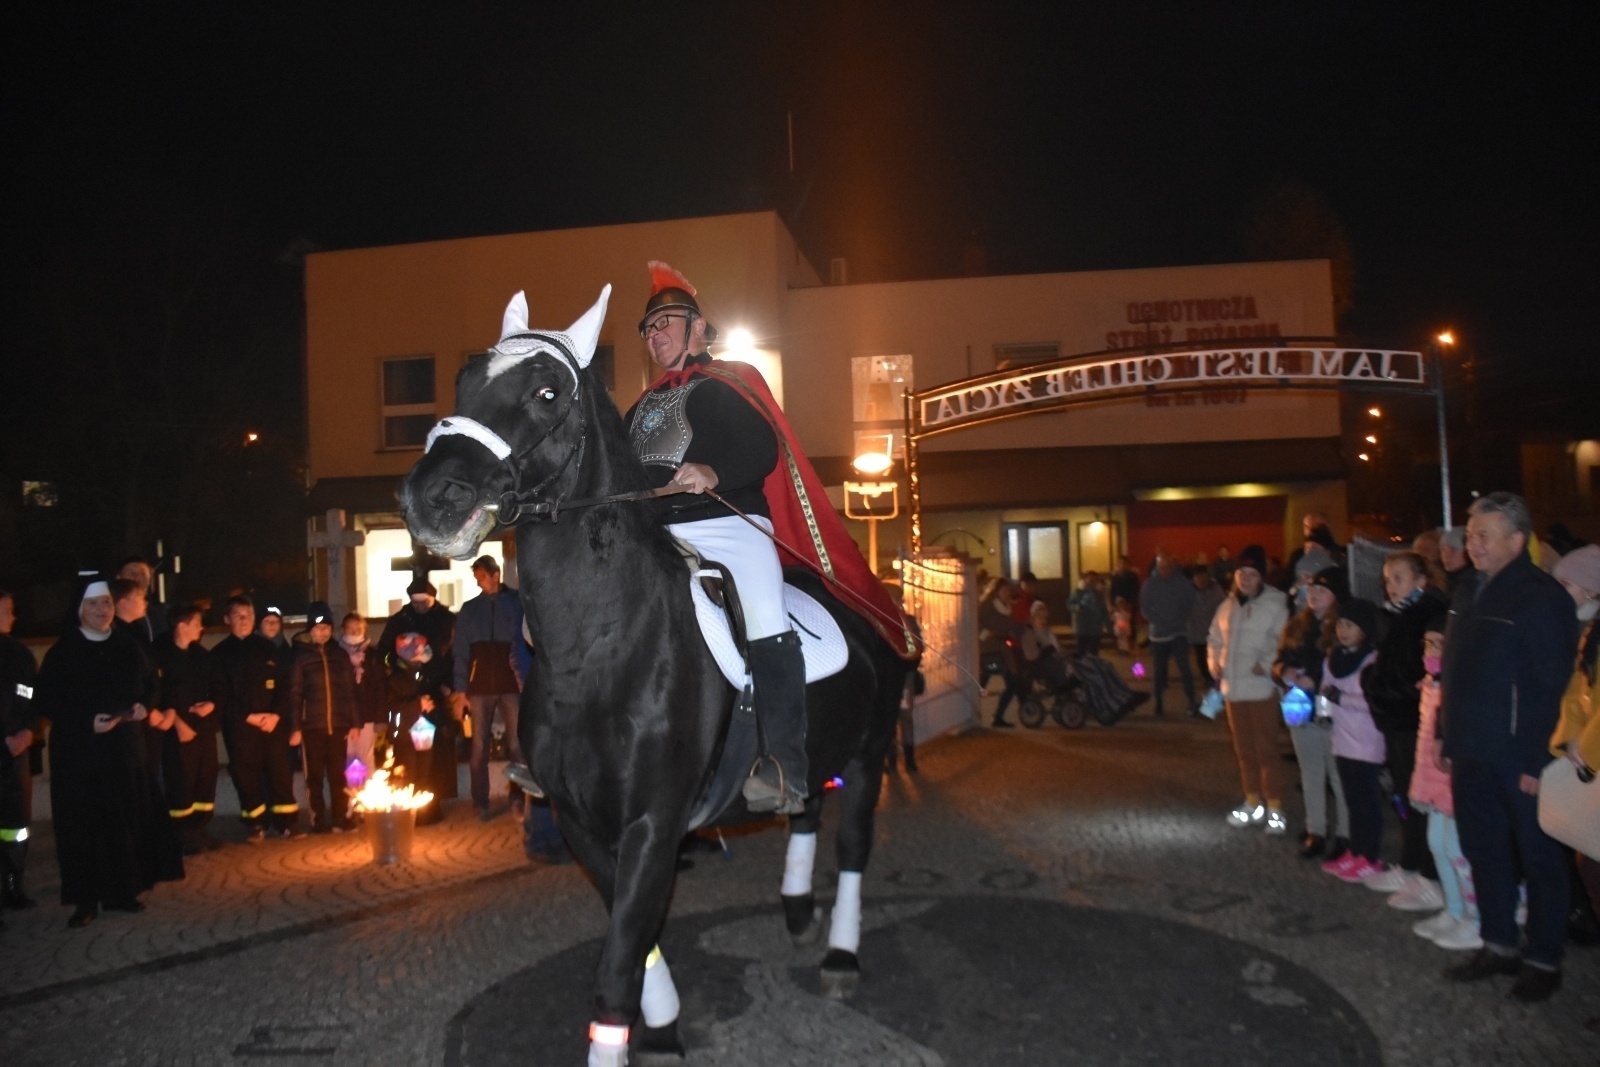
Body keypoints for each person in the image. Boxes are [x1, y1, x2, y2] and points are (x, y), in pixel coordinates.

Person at [622, 262, 914, 810]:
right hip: (657, 535)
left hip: (729, 528)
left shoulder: (729, 383)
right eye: (648, 327)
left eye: (665, 322)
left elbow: (762, 448)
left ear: (698, 328)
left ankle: (783, 765)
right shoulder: (638, 409)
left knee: (763, 612)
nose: (654, 334)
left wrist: (713, 472)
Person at [1438, 492, 1579, 1002]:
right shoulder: (1468, 590)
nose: (1472, 545)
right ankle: (1498, 942)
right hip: (1472, 749)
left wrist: (1537, 759)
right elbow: (1454, 671)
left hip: (1518, 755)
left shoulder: (1541, 597)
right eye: (1470, 535)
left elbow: (1550, 684)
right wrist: (1445, 736)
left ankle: (1544, 957)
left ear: (1517, 541)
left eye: (1484, 536)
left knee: (1540, 859)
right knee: (1484, 850)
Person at [34, 580, 182, 928]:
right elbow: (47, 701)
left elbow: (151, 685)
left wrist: (144, 706)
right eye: (93, 604)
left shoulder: (127, 647)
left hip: (123, 752)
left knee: (124, 824)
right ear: (79, 610)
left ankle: (123, 891)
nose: (102, 610)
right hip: (80, 755)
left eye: (106, 603)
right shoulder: (63, 652)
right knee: (84, 828)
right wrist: (86, 722)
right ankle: (85, 900)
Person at [1359, 551, 1449, 904]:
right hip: (1400, 719)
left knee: (1421, 798)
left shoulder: (1425, 617)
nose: (1391, 586)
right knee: (1405, 795)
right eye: (1387, 579)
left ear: (1421, 581)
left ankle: (1430, 874)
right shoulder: (1402, 616)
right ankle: (1411, 864)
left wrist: (1375, 683)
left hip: (1415, 720)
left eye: (1399, 577)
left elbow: (1415, 673)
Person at [1409, 615, 1483, 951]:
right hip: (1432, 781)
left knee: (1457, 850)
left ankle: (1476, 917)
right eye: (1428, 643)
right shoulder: (1431, 684)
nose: (1432, 650)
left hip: (1452, 782)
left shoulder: (1459, 685)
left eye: (1440, 644)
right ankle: (1454, 909)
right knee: (1437, 845)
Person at [1208, 544, 1291, 833]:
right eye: (1241, 573)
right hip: (1233, 689)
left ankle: (1275, 807)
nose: (1245, 579)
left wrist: (1266, 664)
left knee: (1266, 749)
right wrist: (1215, 663)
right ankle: (1252, 800)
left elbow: (1282, 640)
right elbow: (1214, 638)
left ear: (1262, 576)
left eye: (1252, 573)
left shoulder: (1276, 605)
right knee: (1243, 750)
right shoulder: (1228, 606)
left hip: (1260, 688)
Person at [1549, 543, 1600, 998]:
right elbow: (1575, 692)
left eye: (1566, 583)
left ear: (1589, 588)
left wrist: (1589, 744)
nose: (1560, 591)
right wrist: (1570, 736)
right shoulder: (1589, 631)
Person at [1274, 567, 1350, 860]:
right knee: (1310, 771)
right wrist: (1284, 671)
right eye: (1312, 589)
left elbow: (1347, 668)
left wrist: (1315, 681)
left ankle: (1344, 833)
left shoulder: (1343, 627)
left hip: (1332, 709)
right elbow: (1279, 659)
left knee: (1337, 775)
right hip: (1300, 707)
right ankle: (1315, 829)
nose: (1314, 594)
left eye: (1322, 590)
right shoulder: (1297, 625)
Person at [212, 596, 300, 840]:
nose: (244, 620)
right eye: (238, 616)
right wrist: (248, 717)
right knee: (246, 776)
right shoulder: (219, 654)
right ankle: (256, 823)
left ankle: (286, 823)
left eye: (249, 616)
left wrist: (276, 715)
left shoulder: (268, 649)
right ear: (227, 619)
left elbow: (284, 686)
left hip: (273, 725)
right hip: (241, 728)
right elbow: (221, 695)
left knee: (280, 774)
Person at [1318, 598, 1387, 883]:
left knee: (1367, 801)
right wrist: (1324, 711)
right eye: (1341, 624)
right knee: (1352, 800)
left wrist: (1342, 698)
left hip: (1367, 739)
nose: (1344, 630)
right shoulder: (1333, 658)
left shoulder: (1373, 660)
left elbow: (1372, 700)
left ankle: (1370, 857)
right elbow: (1325, 689)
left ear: (1365, 629)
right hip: (1342, 738)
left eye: (1351, 625)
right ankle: (1355, 851)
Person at [451, 555, 526, 818]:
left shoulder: (517, 603)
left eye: (482, 577)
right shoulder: (470, 609)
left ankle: (518, 796)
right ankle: (480, 801)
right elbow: (461, 650)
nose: (479, 582)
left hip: (511, 684)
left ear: (496, 575)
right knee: (479, 746)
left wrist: (524, 679)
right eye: (476, 578)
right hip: (480, 685)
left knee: (517, 744)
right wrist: (461, 689)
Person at [377, 580, 460, 806]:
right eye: (416, 603)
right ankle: (409, 800)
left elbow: (455, 655)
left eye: (425, 602)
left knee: (432, 752)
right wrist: (395, 669)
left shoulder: (446, 619)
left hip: (435, 690)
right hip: (404, 691)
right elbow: (384, 653)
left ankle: (432, 800)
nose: (420, 607)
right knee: (408, 753)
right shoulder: (400, 620)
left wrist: (450, 684)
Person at [286, 602, 362, 833]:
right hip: (312, 727)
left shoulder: (339, 655)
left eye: (327, 627)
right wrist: (296, 727)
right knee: (315, 776)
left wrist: (355, 722)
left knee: (338, 774)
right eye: (318, 628)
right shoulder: (300, 657)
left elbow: (349, 691)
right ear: (310, 629)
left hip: (338, 725)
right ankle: (318, 818)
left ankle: (341, 816)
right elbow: (295, 694)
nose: (323, 632)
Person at [153, 605, 222, 854]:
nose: (201, 628)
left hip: (203, 731)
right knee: (181, 782)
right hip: (176, 734)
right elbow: (159, 698)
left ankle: (199, 830)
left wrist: (211, 704)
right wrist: (179, 725)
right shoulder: (160, 656)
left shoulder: (201, 656)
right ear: (181, 626)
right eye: (196, 623)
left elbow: (218, 687)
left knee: (206, 779)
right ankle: (182, 836)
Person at [0, 589, 40, 914]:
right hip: (7, 746)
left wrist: (28, 731)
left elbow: (31, 696)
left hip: (16, 755)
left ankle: (14, 883)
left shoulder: (20, 655)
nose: (12, 617)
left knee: (15, 824)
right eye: (6, 611)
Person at [1140, 551, 1197, 716]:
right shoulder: (1150, 584)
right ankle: (1158, 703)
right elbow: (1145, 609)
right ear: (1157, 567)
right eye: (1162, 567)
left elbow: (1191, 602)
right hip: (1158, 635)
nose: (1165, 570)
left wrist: (1180, 618)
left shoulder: (1182, 583)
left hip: (1179, 632)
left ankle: (1191, 700)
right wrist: (1160, 621)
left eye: (1168, 567)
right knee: (1159, 670)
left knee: (1185, 668)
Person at [336, 613, 387, 774]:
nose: (354, 632)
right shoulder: (336, 654)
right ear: (343, 630)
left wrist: (380, 718)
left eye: (358, 629)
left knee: (366, 757)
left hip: (367, 715)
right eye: (350, 628)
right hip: (342, 717)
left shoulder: (372, 655)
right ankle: (349, 790)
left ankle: (366, 789)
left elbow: (380, 687)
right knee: (346, 759)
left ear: (365, 630)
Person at [978, 579, 1022, 728]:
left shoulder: (1007, 606)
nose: (1007, 593)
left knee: (1012, 682)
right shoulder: (988, 605)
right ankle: (969, 714)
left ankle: (998, 716)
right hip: (990, 649)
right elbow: (975, 620)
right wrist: (984, 634)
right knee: (982, 680)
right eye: (1004, 590)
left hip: (1003, 649)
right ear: (997, 591)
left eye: (1008, 591)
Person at [1188, 568, 1226, 696]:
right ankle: (1206, 676)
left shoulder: (1216, 590)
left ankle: (1214, 676)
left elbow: (1223, 605)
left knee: (1215, 653)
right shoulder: (1188, 591)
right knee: (1200, 655)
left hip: (1213, 628)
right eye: (1198, 577)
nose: (1201, 580)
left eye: (1203, 576)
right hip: (1196, 628)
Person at [1018, 601, 1069, 691]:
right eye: (1040, 618)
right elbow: (1031, 655)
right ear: (1033, 618)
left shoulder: (1048, 631)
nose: (1043, 621)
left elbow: (1057, 647)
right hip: (1037, 664)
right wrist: (1046, 651)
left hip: (1052, 660)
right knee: (1057, 667)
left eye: (1044, 618)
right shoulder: (1029, 633)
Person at [116, 556, 168, 641]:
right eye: (132, 573)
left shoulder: (160, 610)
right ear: (119, 577)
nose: (138, 578)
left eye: (143, 574)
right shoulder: (109, 610)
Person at [1068, 572, 1109, 656]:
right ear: (1085, 580)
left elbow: (1103, 610)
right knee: (1081, 652)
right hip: (1082, 627)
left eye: (1095, 580)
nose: (1092, 582)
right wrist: (1077, 607)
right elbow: (1070, 605)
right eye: (1090, 580)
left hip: (1096, 628)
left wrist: (1108, 625)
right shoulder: (1078, 592)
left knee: (1093, 653)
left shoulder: (1099, 594)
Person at [1108, 556, 1140, 639]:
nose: (1122, 565)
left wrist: (1131, 603)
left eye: (1124, 563)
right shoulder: (1115, 577)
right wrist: (1112, 604)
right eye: (1120, 563)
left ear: (1128, 565)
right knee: (1118, 624)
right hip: (1117, 604)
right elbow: (1112, 591)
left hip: (1129, 604)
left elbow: (1135, 590)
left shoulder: (1133, 576)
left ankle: (1131, 643)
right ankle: (1120, 643)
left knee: (1130, 624)